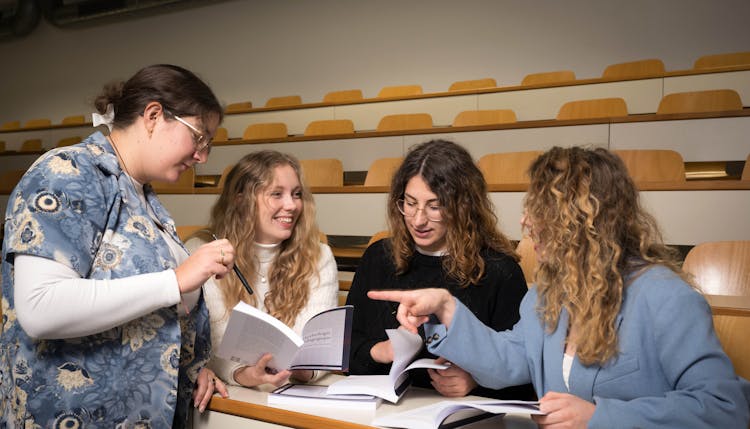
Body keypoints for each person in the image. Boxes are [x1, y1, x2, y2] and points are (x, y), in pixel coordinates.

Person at [370, 146, 750, 428]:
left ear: (585, 221)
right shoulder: (546, 294)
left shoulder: (666, 298)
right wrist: (445, 307)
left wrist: (600, 418)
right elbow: (508, 360)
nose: (525, 221)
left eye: (540, 210)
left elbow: (724, 407)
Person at [0, 64, 234, 428]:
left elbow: (156, 319)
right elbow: (40, 308)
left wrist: (194, 370)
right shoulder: (67, 172)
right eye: (199, 137)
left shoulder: (146, 200)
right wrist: (175, 280)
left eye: (208, 144)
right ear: (154, 116)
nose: (202, 156)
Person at [346, 139, 535, 400]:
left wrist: (475, 380)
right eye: (410, 204)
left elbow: (525, 371)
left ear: (463, 207)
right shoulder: (378, 257)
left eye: (435, 207)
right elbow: (345, 348)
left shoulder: (499, 271)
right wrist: (381, 351)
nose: (419, 219)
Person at [188, 150, 338, 410]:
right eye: (277, 194)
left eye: (297, 194)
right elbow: (214, 339)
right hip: (235, 396)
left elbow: (314, 342)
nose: (291, 205)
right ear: (241, 200)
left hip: (299, 394)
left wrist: (305, 368)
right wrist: (242, 373)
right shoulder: (202, 250)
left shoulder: (319, 255)